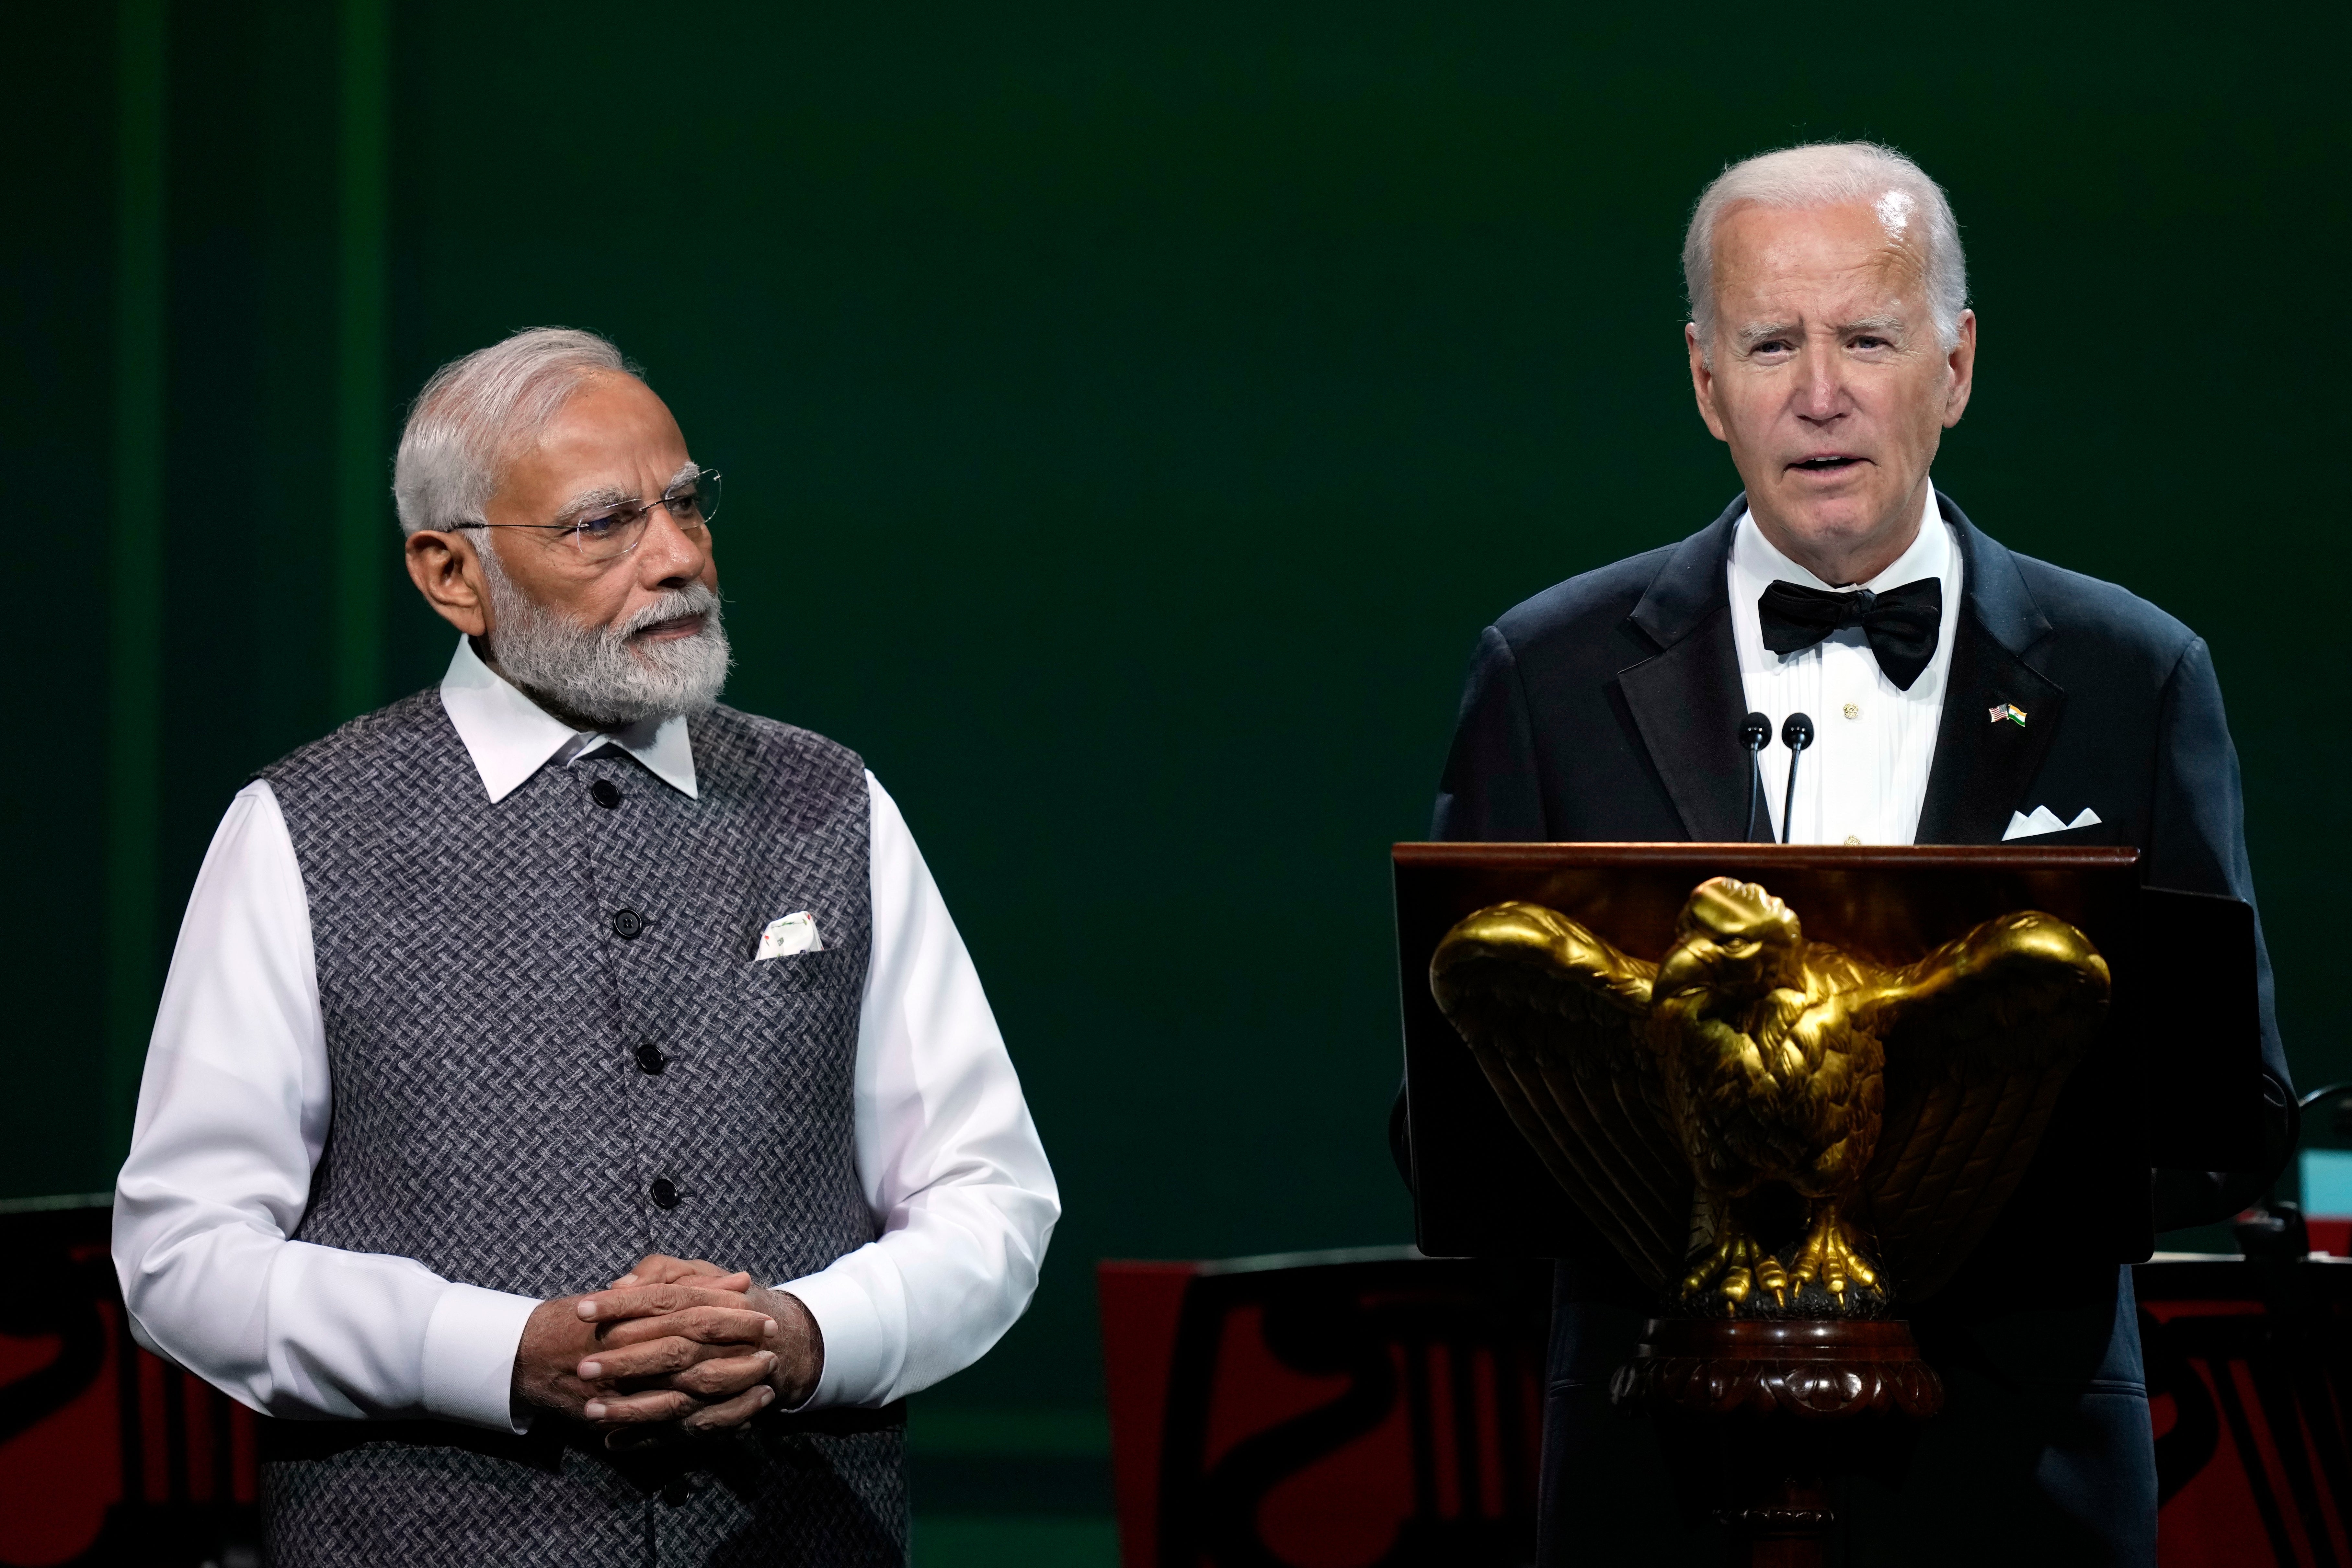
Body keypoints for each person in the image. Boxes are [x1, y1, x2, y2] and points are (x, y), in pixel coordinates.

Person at [1413, 144, 2292, 1564]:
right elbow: (1457, 1138)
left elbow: (2222, 1111)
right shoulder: (1544, 675)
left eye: (1865, 339)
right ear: (1707, 383)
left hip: (2022, 1488)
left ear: (1953, 366)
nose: (1818, 393)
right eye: (1772, 343)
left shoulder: (2137, 674)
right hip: (1661, 1486)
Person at [112, 327, 1059, 1565]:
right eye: (602, 526)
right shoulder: (303, 830)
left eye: (685, 504)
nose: (675, 559)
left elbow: (991, 1197)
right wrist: (501, 1352)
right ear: (453, 573)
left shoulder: (832, 802)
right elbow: (183, 1253)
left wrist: (805, 1332)